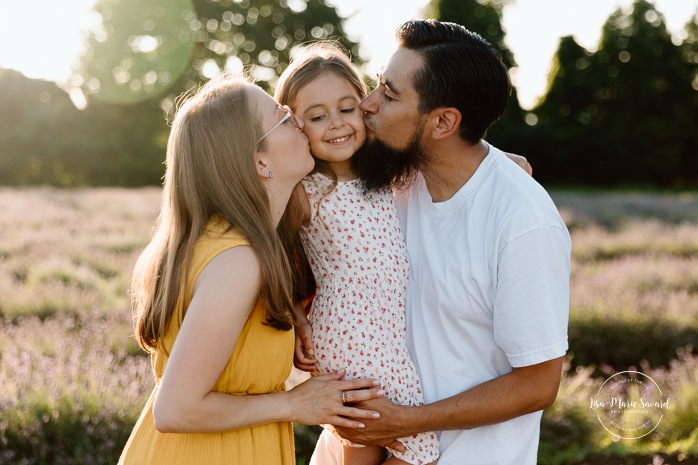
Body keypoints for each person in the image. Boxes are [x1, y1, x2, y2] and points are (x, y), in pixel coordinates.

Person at [314, 19, 572, 465]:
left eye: (390, 95)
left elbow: (538, 384)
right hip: (358, 446)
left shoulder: (523, 223)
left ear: (444, 122)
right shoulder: (392, 175)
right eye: (378, 84)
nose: (367, 104)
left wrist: (410, 420)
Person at [117, 74, 386, 465]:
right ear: (260, 161)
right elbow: (176, 409)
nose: (298, 120)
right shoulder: (238, 260)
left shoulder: (231, 244)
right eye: (283, 116)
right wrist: (294, 404)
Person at [274, 43, 440, 465]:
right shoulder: (304, 190)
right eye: (316, 116)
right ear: (294, 126)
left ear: (365, 109)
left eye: (346, 108)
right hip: (349, 341)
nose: (335, 124)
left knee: (365, 448)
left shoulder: (389, 171)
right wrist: (295, 315)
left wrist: (500, 163)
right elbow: (271, 253)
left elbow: (460, 164)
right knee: (419, 450)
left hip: (386, 336)